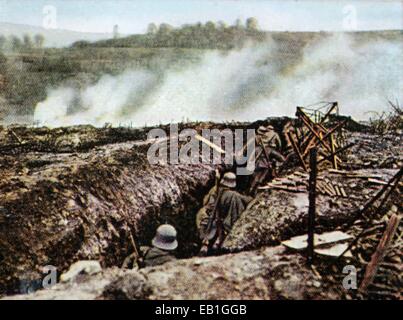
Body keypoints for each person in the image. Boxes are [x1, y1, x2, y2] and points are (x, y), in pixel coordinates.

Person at [199, 172, 252, 255]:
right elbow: (246, 200)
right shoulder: (234, 195)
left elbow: (209, 206)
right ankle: (217, 246)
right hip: (225, 223)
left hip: (215, 220)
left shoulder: (216, 191)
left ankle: (207, 246)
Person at [249, 125, 285, 195]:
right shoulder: (270, 149)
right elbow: (282, 158)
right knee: (262, 181)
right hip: (265, 167)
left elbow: (251, 159)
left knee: (254, 181)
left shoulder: (256, 148)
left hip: (256, 166)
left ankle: (252, 192)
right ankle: (257, 193)